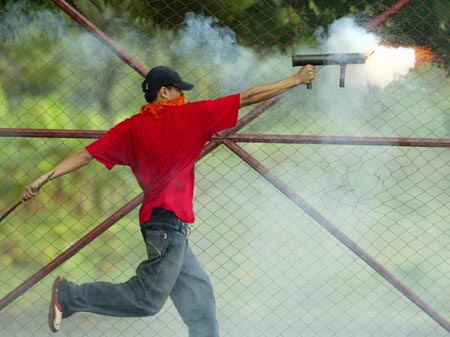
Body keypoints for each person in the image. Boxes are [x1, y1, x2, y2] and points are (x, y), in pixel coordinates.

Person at [22, 64, 315, 335]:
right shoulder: (191, 116)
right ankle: (71, 296)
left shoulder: (130, 128)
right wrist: (297, 80)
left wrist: (44, 177)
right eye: (178, 89)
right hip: (166, 226)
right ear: (164, 92)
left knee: (200, 304)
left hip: (164, 226)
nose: (183, 95)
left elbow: (86, 154)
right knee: (146, 300)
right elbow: (250, 96)